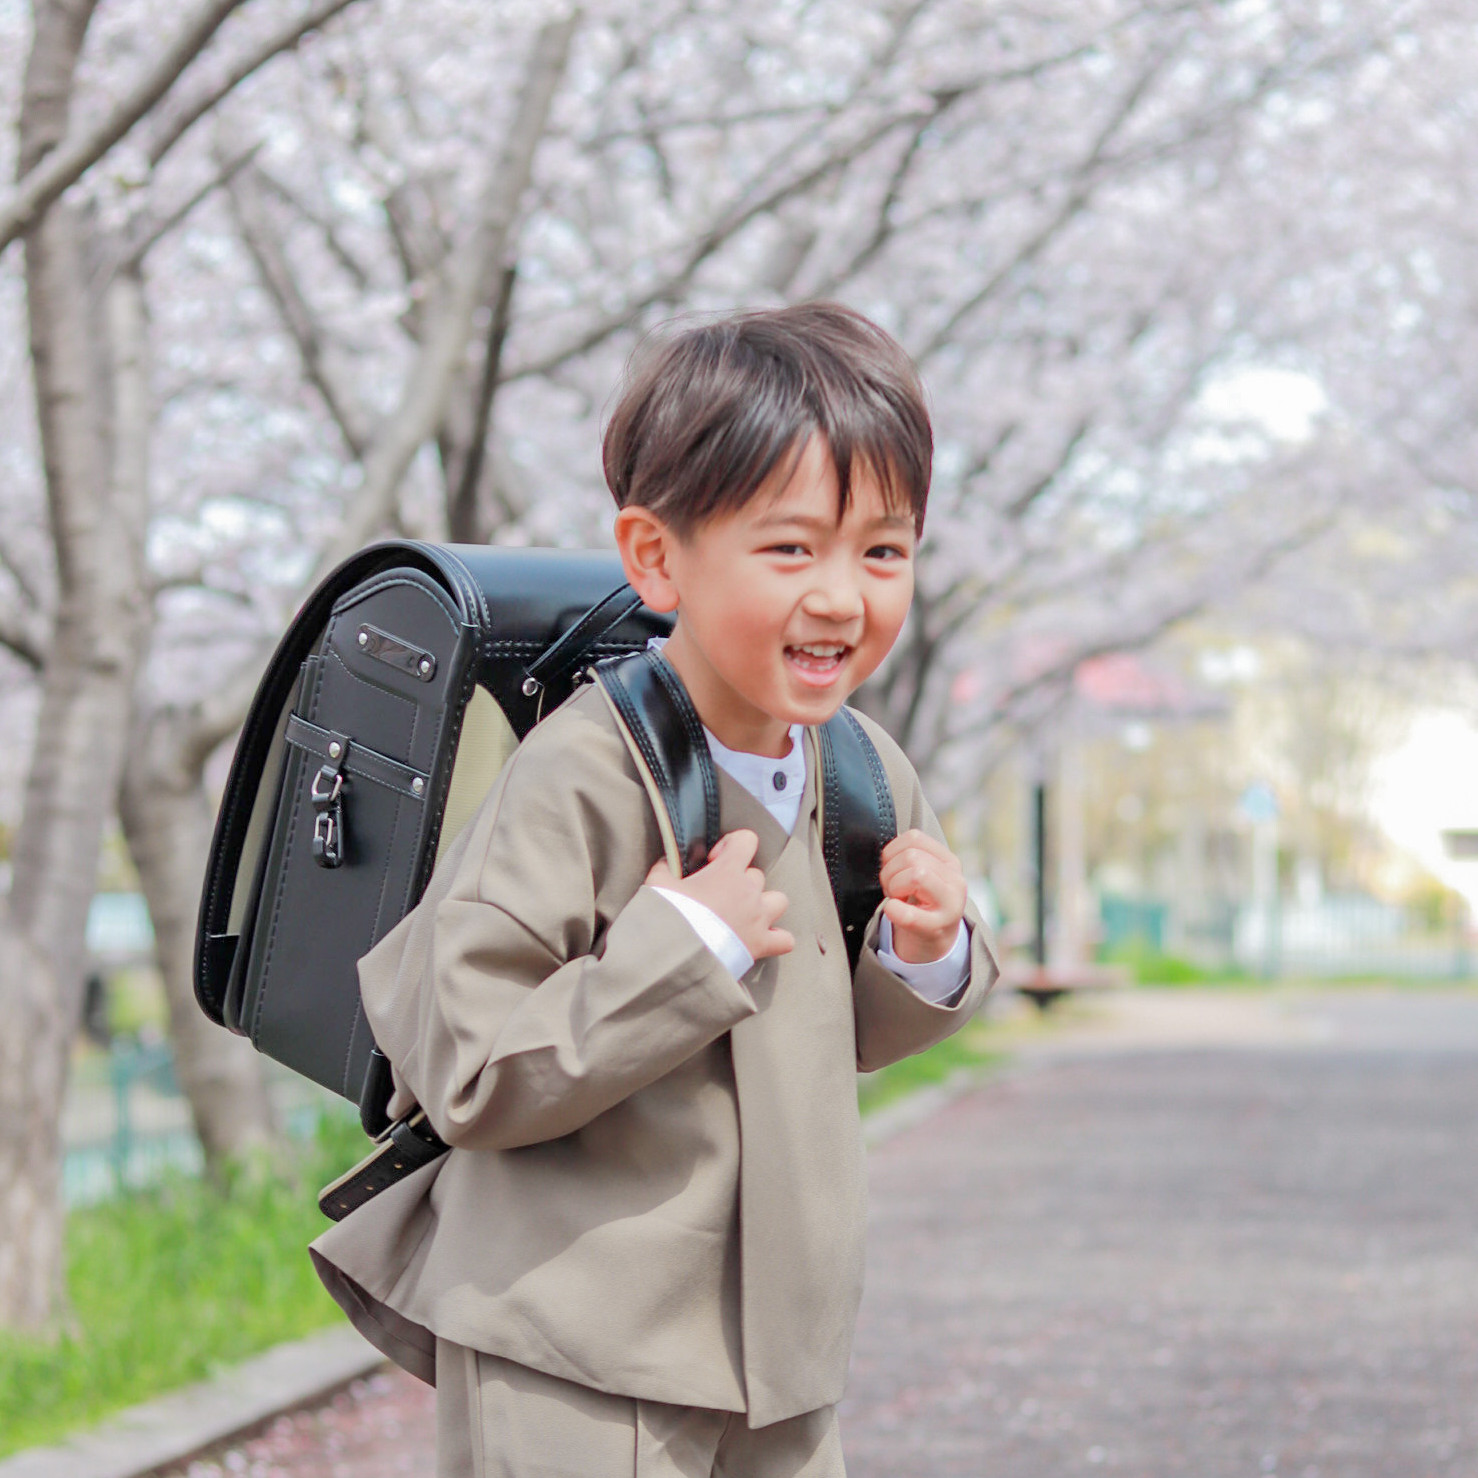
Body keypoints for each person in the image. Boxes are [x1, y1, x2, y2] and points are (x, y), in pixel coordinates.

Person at [309, 302, 998, 1477]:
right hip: (575, 1343)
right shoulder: (582, 772)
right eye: (789, 548)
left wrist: (924, 950)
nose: (841, 595)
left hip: (775, 1351)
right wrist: (682, 947)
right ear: (654, 556)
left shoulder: (860, 768)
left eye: (881, 550)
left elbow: (835, 1034)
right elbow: (467, 1064)